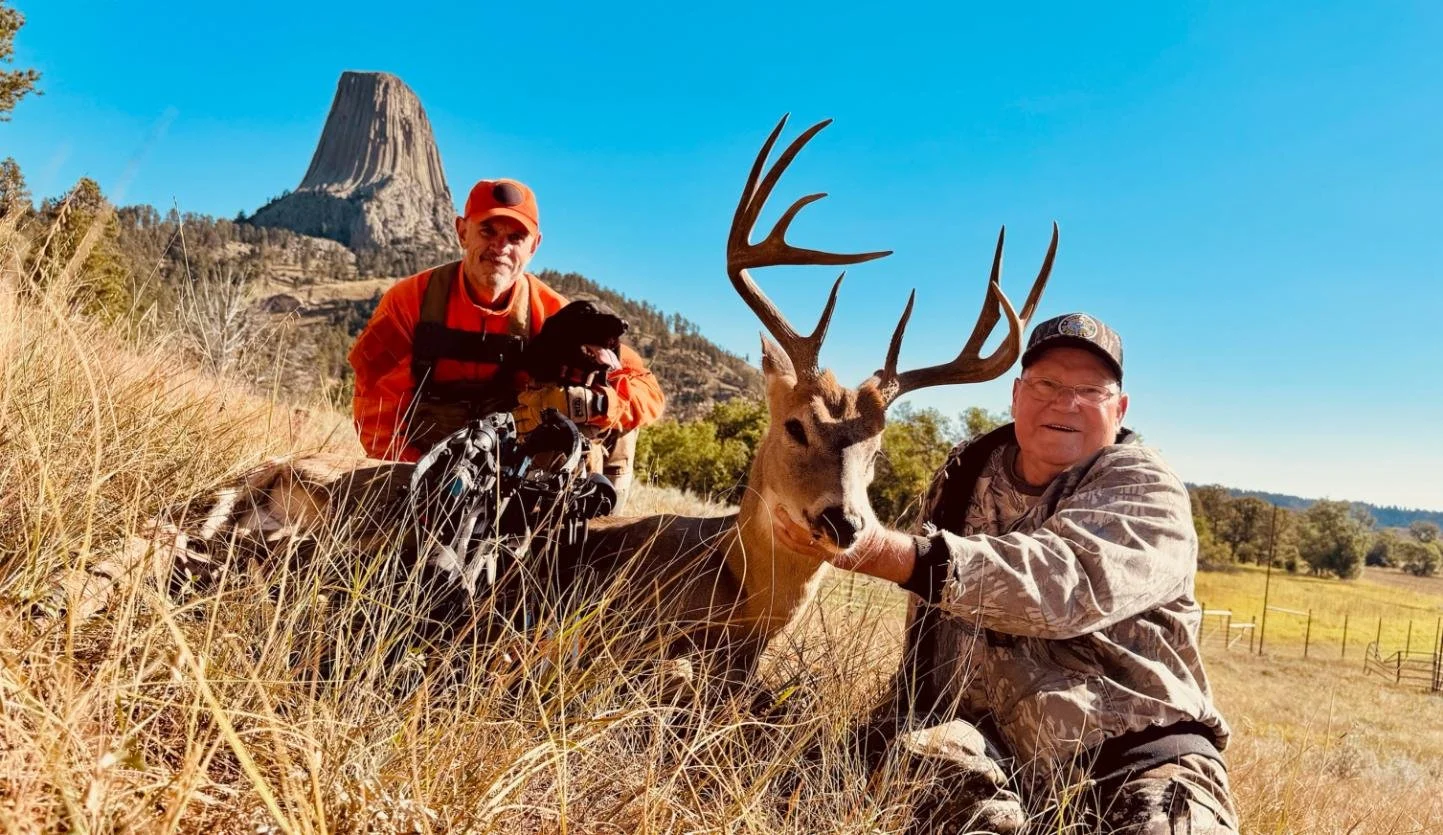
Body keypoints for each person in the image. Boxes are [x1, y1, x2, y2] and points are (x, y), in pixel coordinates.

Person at [773, 313, 1238, 833]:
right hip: (984, 756)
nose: (1067, 403)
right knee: (808, 794)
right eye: (1047, 384)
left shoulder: (1144, 486)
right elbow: (929, 631)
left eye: (1091, 390)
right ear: (1016, 395)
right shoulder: (966, 474)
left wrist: (885, 552)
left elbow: (1063, 587)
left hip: (1135, 761)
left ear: (1120, 408)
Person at [347, 178, 664, 500]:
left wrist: (595, 404)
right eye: (488, 231)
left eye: (516, 237)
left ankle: (593, 533)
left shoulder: (557, 317)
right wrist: (413, 481)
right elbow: (376, 406)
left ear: (534, 246)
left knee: (618, 427)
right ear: (462, 231)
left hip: (515, 466)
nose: (501, 247)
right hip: (423, 462)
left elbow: (646, 389)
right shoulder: (409, 301)